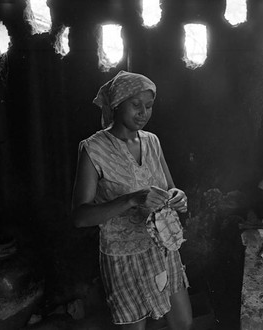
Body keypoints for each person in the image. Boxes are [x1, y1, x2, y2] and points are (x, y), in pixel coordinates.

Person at [71, 70, 192, 330]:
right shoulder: (94, 149)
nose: (143, 113)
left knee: (183, 323)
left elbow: (170, 188)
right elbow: (80, 217)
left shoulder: (152, 142)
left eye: (148, 106)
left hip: (163, 248)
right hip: (123, 256)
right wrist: (131, 200)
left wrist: (177, 197)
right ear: (116, 104)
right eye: (136, 105)